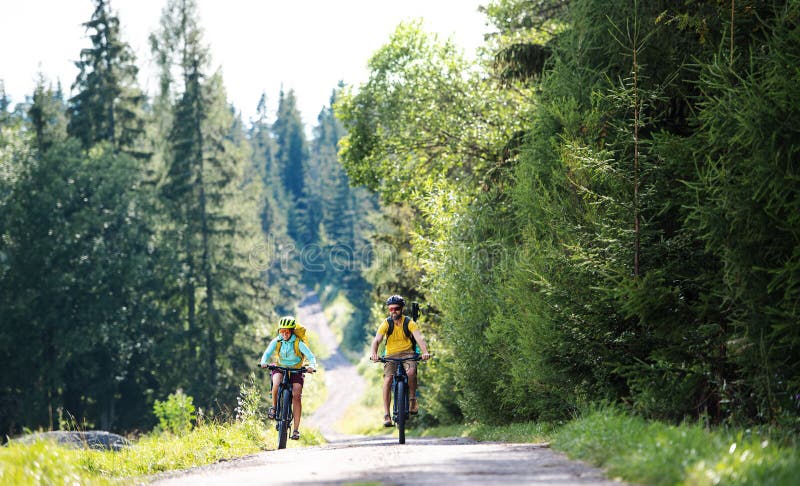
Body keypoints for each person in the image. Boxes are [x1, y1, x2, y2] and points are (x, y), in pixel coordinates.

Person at [370, 295, 431, 427]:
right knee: (387, 380)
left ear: (402, 309)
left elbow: (419, 338)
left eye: (396, 309)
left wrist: (425, 352)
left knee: (411, 372)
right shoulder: (386, 323)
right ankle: (387, 414)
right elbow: (377, 340)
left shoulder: (409, 322)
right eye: (391, 309)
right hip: (391, 355)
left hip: (408, 354)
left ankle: (412, 400)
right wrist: (374, 353)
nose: (393, 311)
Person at [259, 316, 317, 440]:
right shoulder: (277, 341)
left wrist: (311, 366)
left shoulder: (298, 343)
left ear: (291, 331)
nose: (284, 334)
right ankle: (274, 408)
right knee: (276, 383)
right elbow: (267, 353)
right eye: (282, 331)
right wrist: (264, 361)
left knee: (297, 396)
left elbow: (311, 357)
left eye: (287, 331)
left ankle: (296, 430)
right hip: (280, 367)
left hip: (296, 370)